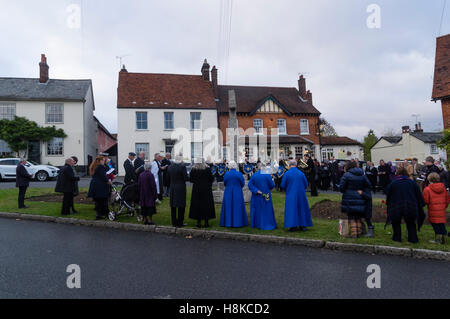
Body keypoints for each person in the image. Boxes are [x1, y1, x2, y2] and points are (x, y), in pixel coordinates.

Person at [385, 166, 425, 244]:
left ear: (398, 173)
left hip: (397, 205)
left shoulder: (393, 183)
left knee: (396, 223)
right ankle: (413, 239)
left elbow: (388, 194)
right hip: (410, 205)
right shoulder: (412, 183)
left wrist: (388, 203)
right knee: (411, 223)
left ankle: (397, 238)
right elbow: (419, 195)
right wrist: (420, 204)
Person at [339, 161, 373, 238]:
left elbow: (341, 188)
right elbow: (369, 185)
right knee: (358, 216)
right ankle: (359, 232)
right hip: (359, 197)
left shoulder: (346, 175)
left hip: (349, 197)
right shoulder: (362, 174)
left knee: (351, 216)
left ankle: (354, 234)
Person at [281, 160, 313, 232]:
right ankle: (303, 226)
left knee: (292, 210)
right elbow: (306, 184)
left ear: (289, 165)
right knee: (302, 209)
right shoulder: (301, 173)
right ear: (296, 165)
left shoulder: (287, 173)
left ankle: (293, 226)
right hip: (301, 193)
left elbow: (283, 185)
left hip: (291, 193)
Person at [248, 163, 277, 230]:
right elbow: (272, 185)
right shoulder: (267, 175)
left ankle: (257, 224)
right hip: (266, 194)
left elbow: (250, 185)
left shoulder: (254, 175)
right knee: (267, 209)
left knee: (257, 209)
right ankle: (267, 223)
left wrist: (256, 190)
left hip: (257, 195)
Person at [220, 161, 248, 228]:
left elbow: (225, 183)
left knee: (228, 206)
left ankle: (228, 222)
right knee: (237, 207)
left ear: (229, 166)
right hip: (237, 191)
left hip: (228, 191)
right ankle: (238, 223)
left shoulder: (227, 174)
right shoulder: (239, 174)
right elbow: (242, 183)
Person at [423, 173, 449, 244]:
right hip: (442, 210)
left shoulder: (427, 189)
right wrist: (443, 206)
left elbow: (426, 201)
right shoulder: (444, 188)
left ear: (429, 180)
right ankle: (443, 237)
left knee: (435, 224)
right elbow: (447, 200)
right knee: (441, 223)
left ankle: (438, 240)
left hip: (432, 209)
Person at [189, 160, 216, 228]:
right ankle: (206, 222)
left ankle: (198, 222)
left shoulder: (193, 169)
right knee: (206, 205)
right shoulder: (207, 169)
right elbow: (211, 178)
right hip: (206, 189)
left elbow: (191, 179)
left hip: (196, 189)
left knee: (197, 205)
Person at [167, 155, 189, 227]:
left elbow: (168, 177)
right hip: (180, 188)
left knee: (173, 206)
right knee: (181, 205)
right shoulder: (182, 167)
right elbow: (186, 178)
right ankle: (180, 222)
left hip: (172, 187)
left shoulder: (170, 167)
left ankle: (174, 222)